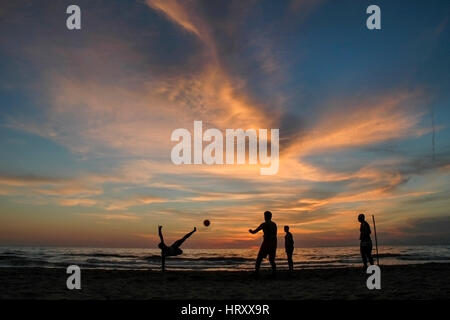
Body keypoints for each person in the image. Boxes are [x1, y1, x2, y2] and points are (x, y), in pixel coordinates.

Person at [249, 211, 277, 276]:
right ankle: (274, 273)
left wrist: (251, 231)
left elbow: (255, 231)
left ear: (266, 216)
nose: (264, 217)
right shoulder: (274, 224)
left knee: (259, 258)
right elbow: (274, 235)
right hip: (273, 243)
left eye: (264, 216)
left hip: (266, 243)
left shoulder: (264, 224)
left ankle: (256, 272)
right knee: (271, 260)